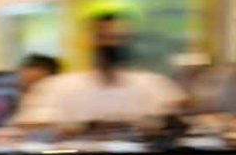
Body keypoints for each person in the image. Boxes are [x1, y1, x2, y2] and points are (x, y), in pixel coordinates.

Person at [15, 13, 186, 128]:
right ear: (91, 42)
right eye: (106, 38)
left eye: (120, 38)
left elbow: (174, 120)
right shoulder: (57, 87)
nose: (113, 44)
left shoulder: (154, 85)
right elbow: (30, 124)